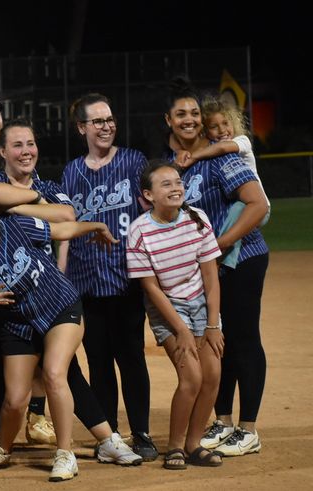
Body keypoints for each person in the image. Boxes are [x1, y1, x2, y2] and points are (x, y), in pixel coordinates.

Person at [0, 190, 136, 482]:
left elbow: (62, 230)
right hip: (20, 325)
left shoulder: (14, 227)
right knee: (15, 400)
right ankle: (1, 450)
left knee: (55, 373)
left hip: (60, 306)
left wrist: (93, 226)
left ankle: (65, 454)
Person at [164, 81, 269, 457]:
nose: (189, 119)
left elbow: (257, 206)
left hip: (242, 259)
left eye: (194, 113)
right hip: (210, 270)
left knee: (243, 339)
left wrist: (218, 245)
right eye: (182, 114)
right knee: (217, 343)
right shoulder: (174, 164)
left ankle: (248, 428)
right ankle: (223, 421)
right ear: (170, 121)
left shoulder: (222, 159)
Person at [61, 93, 158, 461]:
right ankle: (110, 437)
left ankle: (142, 433)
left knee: (132, 358)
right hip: (86, 282)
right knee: (98, 362)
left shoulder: (134, 162)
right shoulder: (71, 172)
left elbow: (150, 214)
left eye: (110, 119)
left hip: (126, 280)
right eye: (98, 121)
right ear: (82, 127)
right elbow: (68, 226)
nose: (106, 126)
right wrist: (62, 276)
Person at [0, 118, 75, 446]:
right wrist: (34, 202)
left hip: (41, 287)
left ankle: (37, 415)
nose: (26, 151)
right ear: (2, 151)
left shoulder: (50, 187)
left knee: (45, 361)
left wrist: (16, 205)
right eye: (17, 145)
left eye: (30, 144)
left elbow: (67, 216)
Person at [127, 160, 225, 469]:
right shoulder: (139, 230)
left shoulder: (197, 218)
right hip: (167, 308)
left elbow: (211, 277)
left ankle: (194, 444)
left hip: (200, 304)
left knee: (212, 376)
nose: (176, 188)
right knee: (191, 378)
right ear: (149, 194)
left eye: (178, 182)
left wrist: (212, 324)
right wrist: (181, 328)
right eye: (166, 184)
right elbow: (151, 287)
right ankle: (175, 446)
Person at [170, 95, 270, 268]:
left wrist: (194, 156)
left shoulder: (241, 141)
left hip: (258, 205)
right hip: (242, 202)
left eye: (225, 123)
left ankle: (221, 258)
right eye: (214, 127)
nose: (222, 130)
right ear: (206, 131)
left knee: (236, 213)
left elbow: (222, 147)